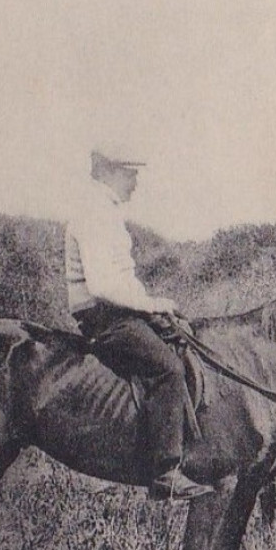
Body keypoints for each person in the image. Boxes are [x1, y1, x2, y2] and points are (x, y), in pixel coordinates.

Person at [65, 149, 213, 501]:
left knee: (185, 341)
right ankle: (165, 470)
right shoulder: (93, 212)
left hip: (118, 311)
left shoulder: (106, 212)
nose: (135, 182)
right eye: (131, 174)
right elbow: (102, 285)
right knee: (167, 369)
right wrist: (151, 305)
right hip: (103, 316)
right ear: (110, 172)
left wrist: (156, 311)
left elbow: (124, 280)